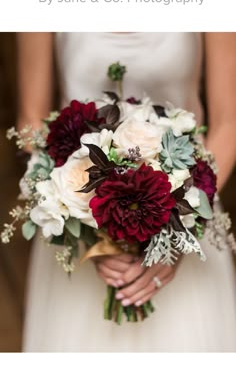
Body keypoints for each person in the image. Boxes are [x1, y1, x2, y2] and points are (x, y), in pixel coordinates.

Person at [17, 32, 236, 352]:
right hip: (77, 227)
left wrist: (179, 229)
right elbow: (30, 120)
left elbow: (227, 124)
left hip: (189, 215)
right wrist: (84, 227)